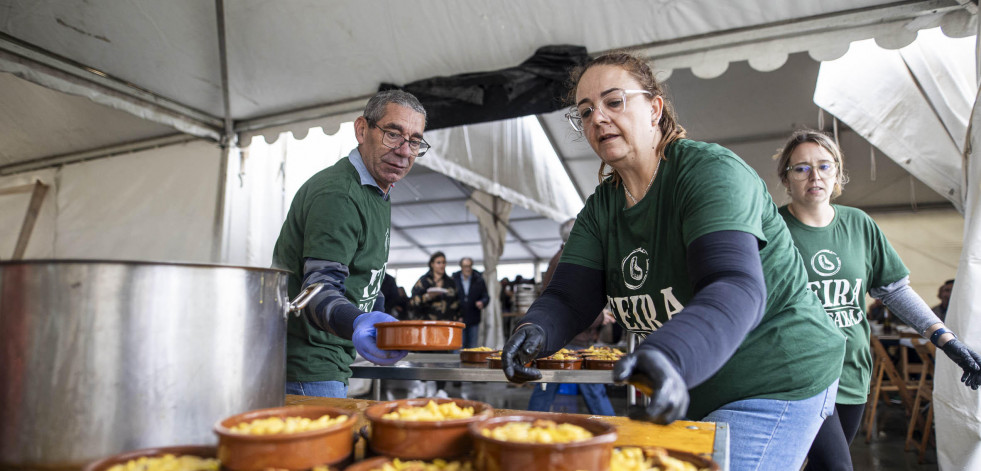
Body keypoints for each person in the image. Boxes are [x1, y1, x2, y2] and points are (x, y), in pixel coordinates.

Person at [500, 52, 846, 470]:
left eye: (614, 102)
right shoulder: (601, 208)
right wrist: (536, 328)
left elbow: (734, 285)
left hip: (774, 376)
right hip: (693, 383)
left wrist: (671, 356)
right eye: (586, 111)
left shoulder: (708, 173)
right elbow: (570, 297)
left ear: (654, 108)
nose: (598, 118)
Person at [774, 130, 981, 471]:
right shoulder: (774, 229)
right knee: (838, 467)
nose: (815, 176)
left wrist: (946, 340)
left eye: (825, 166)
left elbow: (894, 290)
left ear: (838, 173)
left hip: (851, 370)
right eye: (801, 168)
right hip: (796, 374)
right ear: (786, 177)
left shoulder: (859, 225)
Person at [272, 90, 428, 398]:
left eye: (414, 141)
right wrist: (360, 321)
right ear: (361, 130)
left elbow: (366, 273)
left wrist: (384, 322)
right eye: (393, 134)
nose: (404, 151)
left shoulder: (377, 191)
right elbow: (315, 292)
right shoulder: (340, 194)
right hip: (309, 364)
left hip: (334, 359)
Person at [528, 218, 617, 416]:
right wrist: (600, 319)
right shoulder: (566, 260)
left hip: (563, 336)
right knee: (592, 388)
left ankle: (529, 422)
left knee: (546, 385)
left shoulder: (562, 257)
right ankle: (613, 429)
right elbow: (568, 305)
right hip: (571, 338)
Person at [409, 251, 460, 321]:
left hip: (447, 324)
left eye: (444, 262)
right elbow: (412, 302)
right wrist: (427, 297)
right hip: (427, 324)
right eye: (438, 263)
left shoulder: (451, 282)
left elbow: (457, 302)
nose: (442, 265)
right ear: (432, 264)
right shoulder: (423, 281)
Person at [451, 257, 490, 349]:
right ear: (461, 267)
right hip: (459, 318)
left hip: (473, 318)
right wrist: (456, 314)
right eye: (465, 266)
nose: (467, 269)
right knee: (458, 346)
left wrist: (482, 302)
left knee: (472, 347)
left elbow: (486, 296)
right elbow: (451, 298)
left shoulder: (479, 279)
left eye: (469, 266)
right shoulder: (454, 279)